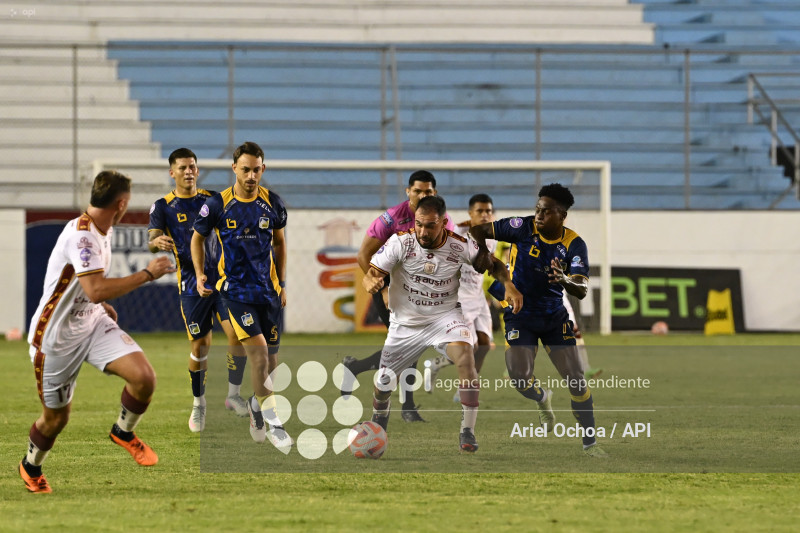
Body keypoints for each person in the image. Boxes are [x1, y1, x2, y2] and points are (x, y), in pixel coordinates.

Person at [20, 170, 176, 493]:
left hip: (91, 321)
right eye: (127, 204)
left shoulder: (101, 229)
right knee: (56, 420)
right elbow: (95, 289)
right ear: (120, 204)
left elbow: (84, 290)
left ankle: (123, 432)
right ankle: (30, 466)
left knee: (144, 378)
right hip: (56, 339)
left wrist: (98, 306)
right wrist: (148, 273)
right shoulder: (83, 236)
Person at [363, 195, 521, 452]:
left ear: (443, 222)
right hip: (406, 323)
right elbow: (372, 274)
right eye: (419, 224)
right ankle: (380, 417)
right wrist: (370, 282)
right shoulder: (399, 243)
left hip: (444, 318)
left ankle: (467, 431)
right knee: (382, 384)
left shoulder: (459, 245)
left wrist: (509, 285)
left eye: (430, 225)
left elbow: (494, 265)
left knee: (467, 357)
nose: (423, 231)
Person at [470, 183, 608, 457]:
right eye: (538, 209)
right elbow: (479, 230)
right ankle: (543, 399)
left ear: (562, 215)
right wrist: (489, 261)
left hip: (554, 316)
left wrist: (565, 278)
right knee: (519, 377)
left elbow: (580, 289)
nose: (540, 215)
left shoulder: (573, 243)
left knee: (576, 379)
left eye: (546, 211)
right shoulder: (522, 227)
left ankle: (590, 443)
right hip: (520, 313)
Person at [191, 141, 291, 450]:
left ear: (263, 169)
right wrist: (199, 274)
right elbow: (197, 239)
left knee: (271, 365)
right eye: (245, 169)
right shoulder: (218, 205)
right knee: (259, 353)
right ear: (234, 168)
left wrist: (282, 283)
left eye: (256, 170)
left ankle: (257, 406)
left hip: (268, 293)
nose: (251, 176)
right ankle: (276, 425)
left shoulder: (273, 203)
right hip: (234, 292)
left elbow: (279, 244)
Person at [148, 148, 249, 433]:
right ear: (172, 172)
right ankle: (199, 404)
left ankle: (232, 395)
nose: (189, 171)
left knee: (237, 335)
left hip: (221, 281)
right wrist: (157, 243)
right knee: (200, 346)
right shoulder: (163, 206)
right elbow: (152, 238)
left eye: (192, 166)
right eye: (182, 168)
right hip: (191, 285)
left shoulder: (212, 199)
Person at [341, 170, 455, 422]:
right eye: (417, 191)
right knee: (410, 345)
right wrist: (381, 288)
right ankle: (408, 408)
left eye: (427, 191)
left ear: (434, 193)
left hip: (421, 288)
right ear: (408, 192)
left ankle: (355, 368)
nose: (422, 195)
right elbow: (363, 255)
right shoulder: (392, 218)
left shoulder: (442, 219)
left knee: (407, 346)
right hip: (391, 287)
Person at [424, 193, 497, 399]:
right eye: (479, 211)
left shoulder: (493, 236)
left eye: (488, 211)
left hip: (479, 299)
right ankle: (440, 367)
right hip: (460, 299)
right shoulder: (458, 234)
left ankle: (462, 385)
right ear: (470, 214)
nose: (484, 215)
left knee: (484, 346)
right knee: (468, 347)